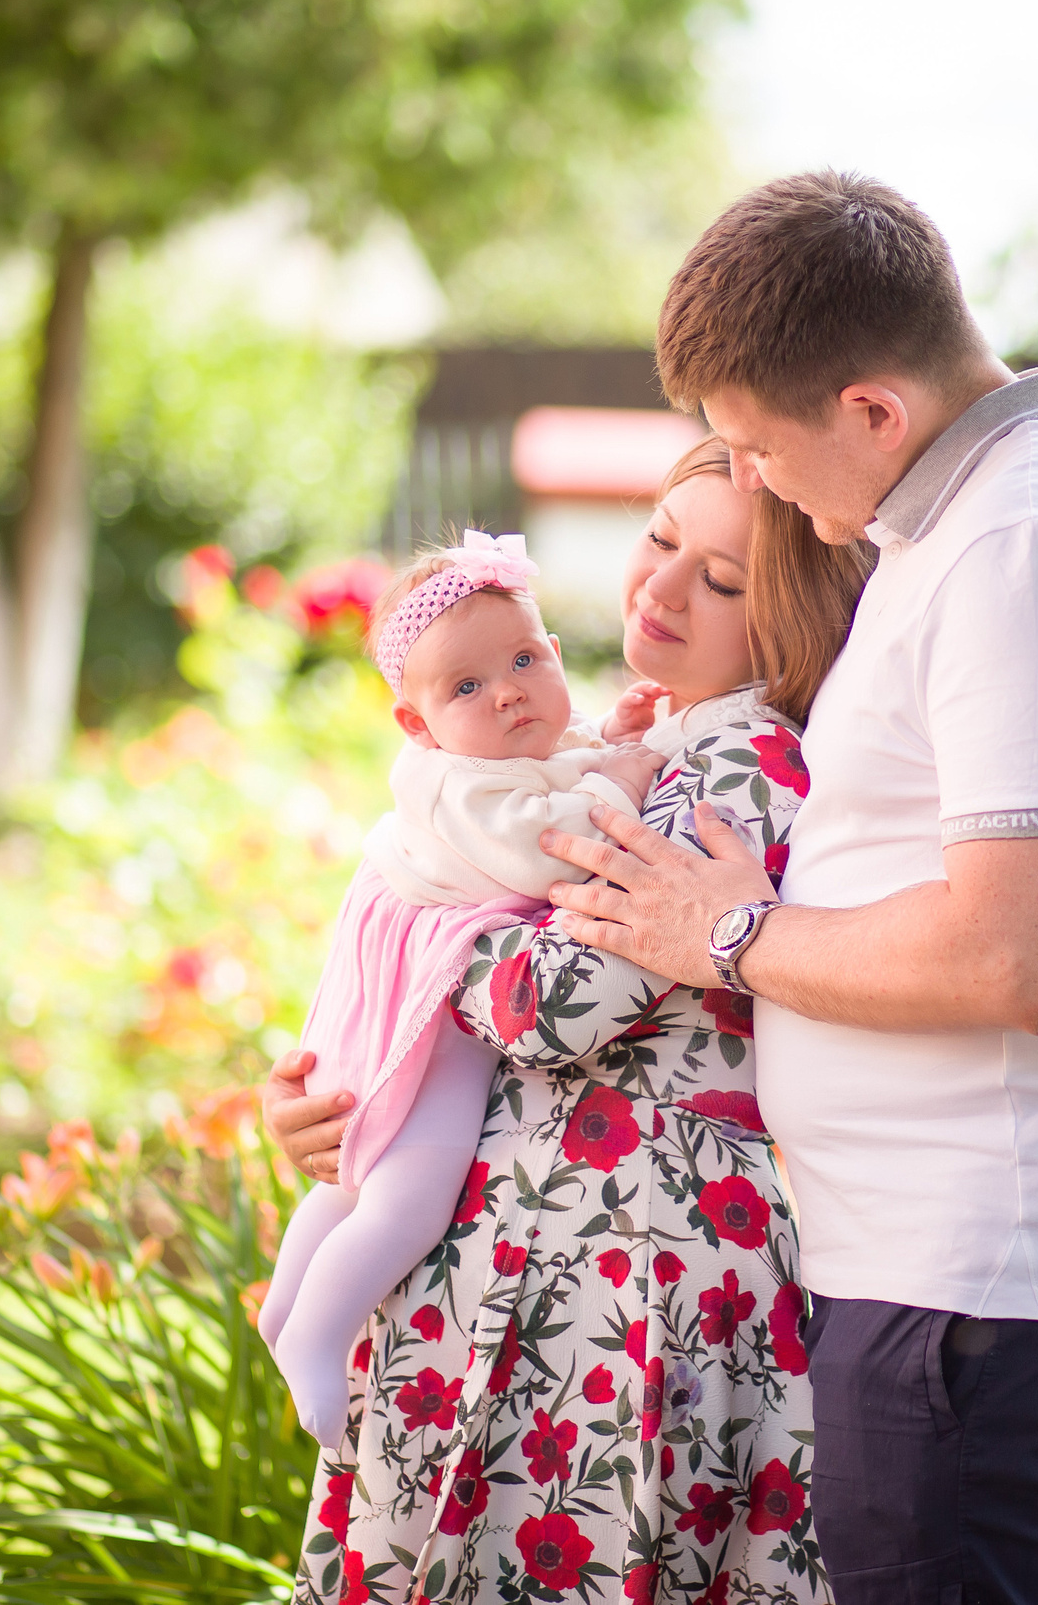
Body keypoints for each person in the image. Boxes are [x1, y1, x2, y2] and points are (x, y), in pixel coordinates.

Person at [536, 172, 1038, 1604]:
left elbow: (1015, 960)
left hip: (1000, 1282)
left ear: (872, 407)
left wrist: (726, 929)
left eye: (757, 444)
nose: (755, 482)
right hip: (965, 1273)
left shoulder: (1029, 539)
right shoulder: (977, 520)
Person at [267, 440, 871, 1605]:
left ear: (791, 615)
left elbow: (556, 1004)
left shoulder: (742, 757)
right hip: (538, 1239)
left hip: (629, 1252)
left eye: (724, 580)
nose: (661, 588)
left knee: (586, 1548)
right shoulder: (639, 743)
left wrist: (416, 933)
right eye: (659, 539)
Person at [257, 531, 670, 1445]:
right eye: (468, 688)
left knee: (364, 1157)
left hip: (426, 960)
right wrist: (626, 782)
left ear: (556, 654)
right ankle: (317, 1334)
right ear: (418, 723)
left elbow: (552, 764)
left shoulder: (498, 750)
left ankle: (286, 1305)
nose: (511, 691)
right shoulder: (449, 783)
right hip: (428, 984)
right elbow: (540, 841)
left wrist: (614, 734)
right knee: (414, 1175)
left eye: (525, 659)